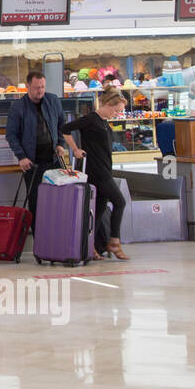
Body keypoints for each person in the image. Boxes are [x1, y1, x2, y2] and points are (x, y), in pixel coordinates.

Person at [60, 88, 131, 261]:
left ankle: (90, 245)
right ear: (107, 104)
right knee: (120, 202)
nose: (116, 114)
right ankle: (114, 241)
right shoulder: (91, 119)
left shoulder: (105, 122)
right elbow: (65, 129)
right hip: (97, 170)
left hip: (105, 168)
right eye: (116, 110)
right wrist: (75, 149)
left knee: (99, 208)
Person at [5, 71, 81, 220]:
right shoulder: (18, 107)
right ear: (27, 86)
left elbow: (61, 124)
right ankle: (38, 238)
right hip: (31, 163)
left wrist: (60, 143)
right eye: (36, 87)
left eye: (42, 87)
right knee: (35, 202)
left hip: (53, 159)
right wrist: (21, 157)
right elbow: (11, 135)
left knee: (57, 199)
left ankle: (55, 234)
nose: (40, 90)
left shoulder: (52, 100)